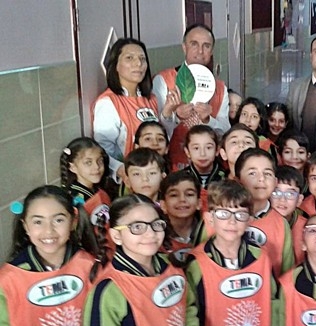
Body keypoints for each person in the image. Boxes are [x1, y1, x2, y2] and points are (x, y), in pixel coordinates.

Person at [84, 194, 201, 326]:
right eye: (137, 227)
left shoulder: (171, 268)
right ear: (116, 236)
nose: (150, 233)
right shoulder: (110, 288)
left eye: (156, 225)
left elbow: (188, 307)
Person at [0, 185, 98, 326]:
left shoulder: (91, 267)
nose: (49, 231)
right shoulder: (9, 280)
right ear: (25, 226)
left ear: (73, 221)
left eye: (58, 220)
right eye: (38, 222)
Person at [185, 180, 276, 326]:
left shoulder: (260, 258)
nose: (232, 222)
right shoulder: (197, 262)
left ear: (250, 219)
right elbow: (189, 311)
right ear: (210, 217)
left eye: (240, 214)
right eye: (223, 214)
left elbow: (274, 306)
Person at [93, 38, 174, 182]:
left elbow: (163, 138)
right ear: (115, 65)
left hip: (155, 176)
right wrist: (123, 172)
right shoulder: (108, 103)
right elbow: (103, 151)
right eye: (129, 58)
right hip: (130, 180)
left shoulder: (151, 98)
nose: (138, 64)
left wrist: (167, 113)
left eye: (142, 59)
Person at [153, 24, 230, 133]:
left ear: (212, 51)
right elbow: (155, 129)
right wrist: (175, 116)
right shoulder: (163, 80)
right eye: (194, 44)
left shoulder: (220, 89)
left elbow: (226, 131)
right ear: (184, 47)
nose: (200, 51)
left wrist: (208, 120)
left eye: (206, 46)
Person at [235, 148, 295, 277]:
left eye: (267, 173)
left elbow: (287, 275)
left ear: (275, 182)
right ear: (238, 180)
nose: (261, 178)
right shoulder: (220, 219)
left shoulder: (281, 224)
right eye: (252, 173)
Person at [60, 137, 111, 224]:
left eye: (100, 161)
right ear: (72, 167)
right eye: (88, 162)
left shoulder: (98, 188)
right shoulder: (74, 198)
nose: (97, 167)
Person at [159, 171, 205, 263]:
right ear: (163, 205)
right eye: (174, 195)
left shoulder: (208, 232)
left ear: (199, 203)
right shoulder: (157, 236)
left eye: (189, 194)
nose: (182, 199)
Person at [182, 124, 225, 209]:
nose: (202, 154)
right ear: (187, 152)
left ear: (217, 150)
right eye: (196, 148)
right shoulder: (181, 179)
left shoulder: (226, 177)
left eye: (208, 148)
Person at [271, 166, 306, 265]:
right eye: (276, 192)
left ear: (299, 200)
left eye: (290, 194)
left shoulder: (306, 227)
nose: (282, 200)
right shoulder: (260, 224)